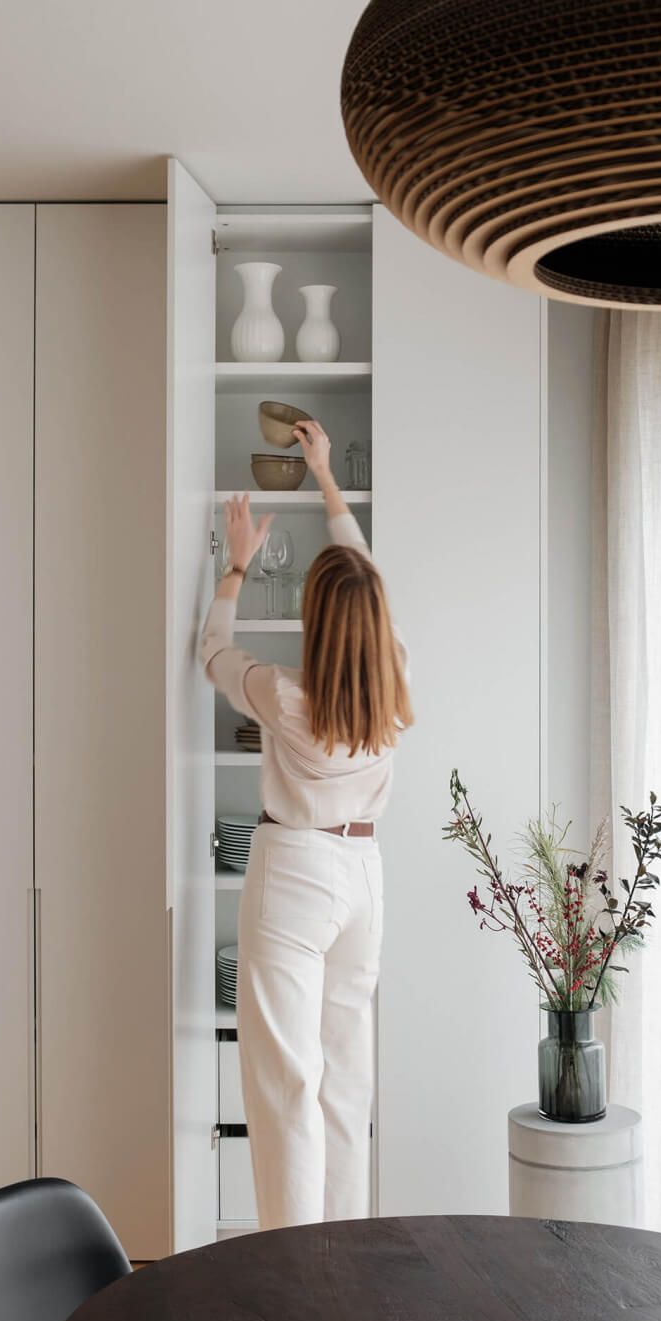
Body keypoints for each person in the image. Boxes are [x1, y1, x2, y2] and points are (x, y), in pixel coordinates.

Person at [199, 419, 412, 1230]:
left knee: (285, 1084)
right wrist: (327, 479)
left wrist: (239, 563)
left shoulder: (283, 696)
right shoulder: (393, 680)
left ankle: (292, 1275)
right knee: (342, 1083)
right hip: (363, 877)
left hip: (294, 873)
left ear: (316, 621)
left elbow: (212, 647)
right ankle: (341, 1271)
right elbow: (369, 581)